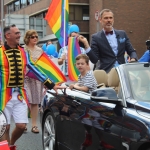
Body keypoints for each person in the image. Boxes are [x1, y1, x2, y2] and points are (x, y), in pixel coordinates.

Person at [0, 24, 64, 150]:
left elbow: (33, 69)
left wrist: (50, 84)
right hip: (3, 95)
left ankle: (10, 144)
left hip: (20, 95)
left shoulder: (23, 51)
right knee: (5, 127)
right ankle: (6, 148)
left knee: (21, 126)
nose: (19, 35)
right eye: (17, 33)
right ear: (8, 36)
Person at [78, 9, 138, 73]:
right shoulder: (96, 37)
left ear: (113, 20)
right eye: (106, 18)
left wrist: (133, 59)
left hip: (122, 71)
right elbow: (94, 60)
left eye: (110, 18)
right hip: (106, 72)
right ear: (100, 20)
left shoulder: (122, 34)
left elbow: (131, 51)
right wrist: (86, 45)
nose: (109, 20)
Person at [23, 30, 44, 133]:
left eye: (36, 36)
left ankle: (34, 125)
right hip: (25, 78)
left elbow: (44, 65)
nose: (35, 38)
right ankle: (23, 123)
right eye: (32, 37)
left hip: (36, 79)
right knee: (26, 100)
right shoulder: (22, 49)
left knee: (35, 102)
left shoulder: (40, 50)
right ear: (27, 38)